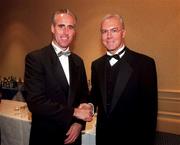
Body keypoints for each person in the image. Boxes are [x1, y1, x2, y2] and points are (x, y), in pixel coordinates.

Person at [24, 9, 93, 145]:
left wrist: (78, 124)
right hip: (46, 137)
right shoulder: (36, 58)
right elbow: (36, 103)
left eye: (70, 27)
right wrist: (74, 112)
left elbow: (84, 97)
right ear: (52, 28)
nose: (66, 32)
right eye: (61, 26)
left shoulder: (78, 61)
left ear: (74, 32)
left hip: (73, 137)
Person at [90, 14, 158, 145]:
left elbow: (150, 113)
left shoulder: (145, 64)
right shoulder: (96, 65)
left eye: (114, 30)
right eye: (104, 31)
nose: (108, 36)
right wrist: (90, 105)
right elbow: (95, 95)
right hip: (103, 137)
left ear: (123, 33)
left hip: (133, 138)